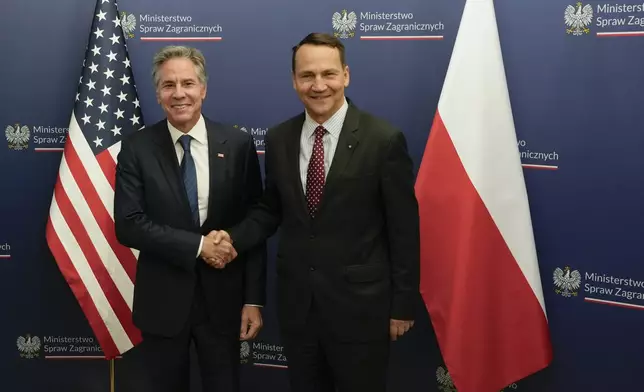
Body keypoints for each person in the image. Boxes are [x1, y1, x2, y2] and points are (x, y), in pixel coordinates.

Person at [212, 32, 420, 392]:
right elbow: (270, 209)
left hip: (362, 312)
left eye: (329, 74)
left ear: (346, 76)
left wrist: (402, 304)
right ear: (294, 81)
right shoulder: (279, 139)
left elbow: (404, 230)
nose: (318, 85)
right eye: (307, 75)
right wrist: (233, 238)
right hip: (300, 310)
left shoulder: (383, 140)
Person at [114, 45, 266, 392]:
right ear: (158, 93)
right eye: (169, 85)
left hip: (224, 305)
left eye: (188, 83)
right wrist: (199, 246)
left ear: (203, 89)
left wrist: (253, 299)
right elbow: (129, 223)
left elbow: (253, 224)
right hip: (163, 305)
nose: (179, 93)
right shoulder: (136, 148)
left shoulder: (239, 144)